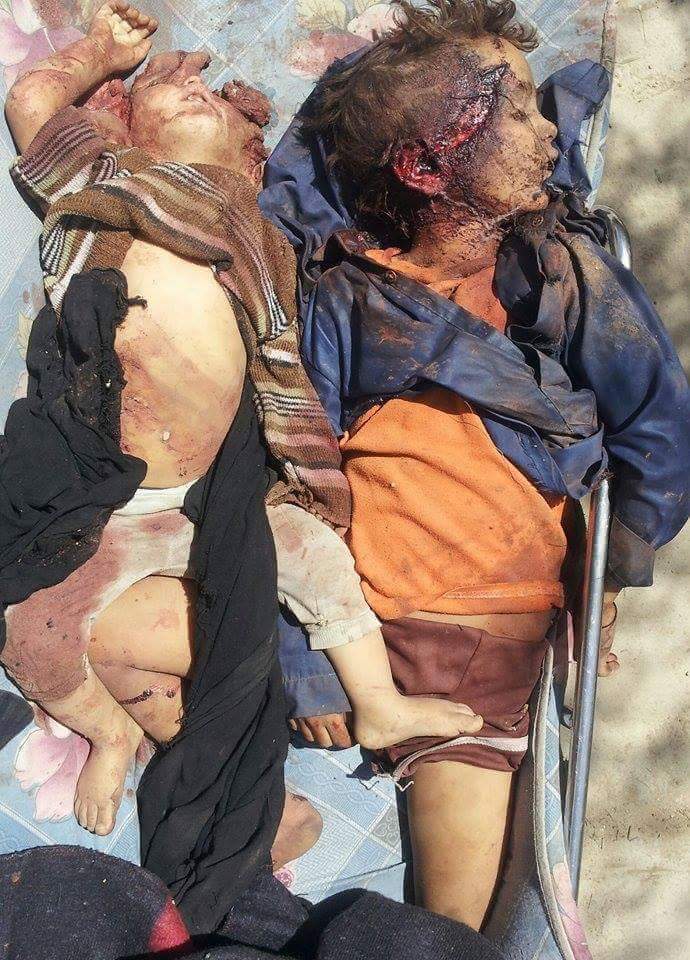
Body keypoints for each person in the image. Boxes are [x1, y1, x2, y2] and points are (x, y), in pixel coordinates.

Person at [0, 0, 479, 891]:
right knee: (25, 625)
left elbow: (290, 350)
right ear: (126, 123)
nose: (197, 94)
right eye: (170, 94)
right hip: (96, 502)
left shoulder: (265, 235)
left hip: (199, 503)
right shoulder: (103, 181)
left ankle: (377, 701)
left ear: (249, 152)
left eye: (219, 102)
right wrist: (102, 51)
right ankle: (111, 734)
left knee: (310, 553)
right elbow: (31, 98)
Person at [260, 0, 690, 931]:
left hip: (513, 631)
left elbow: (658, 426)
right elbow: (295, 474)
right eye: (520, 111)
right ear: (425, 167)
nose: (550, 135)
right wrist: (308, 662)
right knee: (453, 924)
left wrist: (607, 571)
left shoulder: (560, 273)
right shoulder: (348, 299)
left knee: (467, 914)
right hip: (411, 633)